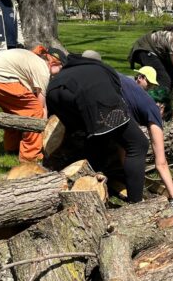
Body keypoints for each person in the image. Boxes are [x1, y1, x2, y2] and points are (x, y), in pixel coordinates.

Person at [46, 54, 149, 203]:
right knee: (138, 144)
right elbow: (117, 98)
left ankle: (90, 185)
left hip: (53, 92)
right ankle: (136, 201)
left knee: (92, 137)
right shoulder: (104, 69)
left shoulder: (76, 68)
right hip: (90, 94)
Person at [0, 46, 65, 162]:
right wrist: (43, 127)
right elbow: (41, 106)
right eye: (61, 67)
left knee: (14, 110)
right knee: (34, 111)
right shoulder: (43, 70)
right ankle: (31, 156)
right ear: (54, 63)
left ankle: (12, 147)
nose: (60, 72)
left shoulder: (33, 59)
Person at [118, 75, 173, 213]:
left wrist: (127, 175)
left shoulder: (136, 100)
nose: (159, 121)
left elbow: (123, 146)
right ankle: (135, 201)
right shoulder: (154, 109)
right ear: (162, 108)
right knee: (140, 144)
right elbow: (161, 163)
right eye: (162, 119)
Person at [128, 22, 173, 91]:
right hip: (145, 48)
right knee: (163, 78)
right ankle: (159, 100)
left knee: (172, 75)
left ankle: (168, 99)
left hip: (158, 53)